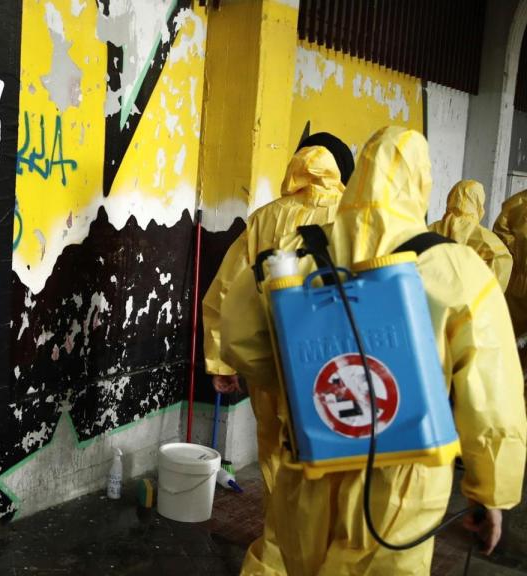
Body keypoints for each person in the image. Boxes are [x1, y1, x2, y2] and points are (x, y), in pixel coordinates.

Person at [222, 126, 526, 575]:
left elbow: (240, 339)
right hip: (403, 478)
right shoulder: (454, 267)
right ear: (422, 184)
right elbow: (492, 394)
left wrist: (301, 390)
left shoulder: (298, 252)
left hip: (311, 458)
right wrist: (490, 491)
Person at [201, 141, 348, 571]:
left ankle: (279, 551)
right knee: (330, 464)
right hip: (332, 368)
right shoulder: (355, 218)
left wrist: (222, 361)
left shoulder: (265, 218)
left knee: (275, 457)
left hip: (270, 363)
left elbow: (225, 291)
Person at [429, 180, 511, 291]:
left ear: (450, 199)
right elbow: (500, 273)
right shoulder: (489, 241)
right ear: (478, 204)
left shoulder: (428, 230)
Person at [493, 187, 527, 342]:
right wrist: (518, 250)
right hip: (517, 281)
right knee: (511, 335)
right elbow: (500, 235)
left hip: (518, 280)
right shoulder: (516, 204)